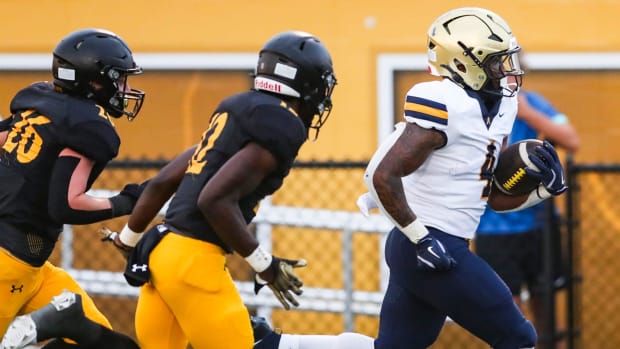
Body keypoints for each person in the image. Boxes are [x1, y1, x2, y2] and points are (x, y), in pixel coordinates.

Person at [249, 7, 570, 349]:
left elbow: (489, 195)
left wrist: (542, 191)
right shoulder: (445, 102)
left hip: (435, 246)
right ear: (463, 63)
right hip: (427, 246)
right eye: (495, 62)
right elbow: (380, 175)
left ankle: (273, 345)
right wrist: (421, 239)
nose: (504, 70)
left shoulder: (503, 108)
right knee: (519, 337)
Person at [102, 30, 337, 349]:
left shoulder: (238, 108)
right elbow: (214, 199)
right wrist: (264, 264)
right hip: (193, 263)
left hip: (162, 252)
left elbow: (163, 182)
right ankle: (79, 327)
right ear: (305, 81)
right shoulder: (282, 124)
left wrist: (127, 238)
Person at [0, 28, 147, 349]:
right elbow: (67, 204)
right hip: (8, 265)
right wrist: (130, 201)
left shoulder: (38, 98)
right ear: (96, 80)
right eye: (120, 79)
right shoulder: (88, 124)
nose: (126, 88)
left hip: (30, 269)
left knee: (98, 340)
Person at [475, 70, 580, 347]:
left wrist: (527, 113)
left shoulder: (534, 103)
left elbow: (572, 140)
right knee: (508, 314)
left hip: (539, 226)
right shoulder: (474, 108)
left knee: (545, 308)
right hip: (494, 230)